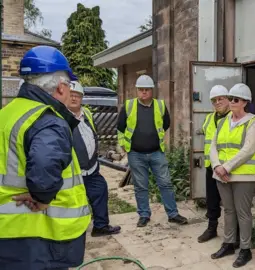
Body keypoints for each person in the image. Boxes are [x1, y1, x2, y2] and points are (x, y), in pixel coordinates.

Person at [0, 45, 91, 269]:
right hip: (36, 234)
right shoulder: (47, 120)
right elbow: (44, 165)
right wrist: (41, 198)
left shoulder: (8, 113)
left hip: (8, 231)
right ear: (61, 88)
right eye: (69, 86)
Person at [117, 74, 188, 227]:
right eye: (141, 89)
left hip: (156, 153)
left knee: (166, 183)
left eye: (147, 90)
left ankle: (173, 214)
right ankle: (144, 214)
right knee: (140, 186)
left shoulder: (160, 106)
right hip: (135, 153)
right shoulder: (129, 106)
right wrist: (123, 144)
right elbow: (120, 127)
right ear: (137, 91)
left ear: (152, 91)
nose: (144, 92)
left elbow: (166, 124)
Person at [209, 83, 255, 268]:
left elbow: (248, 149)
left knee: (243, 212)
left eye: (235, 99)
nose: (231, 102)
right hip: (221, 175)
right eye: (230, 98)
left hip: (243, 176)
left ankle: (245, 249)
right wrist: (217, 166)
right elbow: (213, 145)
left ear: (245, 102)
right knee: (229, 210)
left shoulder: (252, 121)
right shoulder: (223, 121)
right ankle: (229, 243)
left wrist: (226, 167)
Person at [68, 81, 122, 237]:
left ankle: (100, 226)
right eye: (71, 95)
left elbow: (92, 133)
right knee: (73, 202)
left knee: (100, 190)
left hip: (90, 168)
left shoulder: (87, 114)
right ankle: (72, 233)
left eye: (77, 95)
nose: (74, 98)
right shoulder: (61, 116)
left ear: (82, 98)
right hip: (72, 171)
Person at [197, 85, 239, 246]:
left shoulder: (235, 118)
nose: (217, 102)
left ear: (228, 99)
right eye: (214, 100)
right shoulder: (209, 118)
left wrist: (227, 165)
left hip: (228, 168)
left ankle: (235, 234)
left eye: (221, 98)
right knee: (212, 200)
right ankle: (212, 228)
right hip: (211, 166)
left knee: (232, 203)